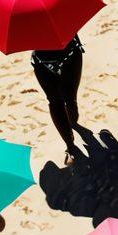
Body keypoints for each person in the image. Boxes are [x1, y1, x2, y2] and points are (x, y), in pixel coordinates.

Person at [32, 35, 85, 165]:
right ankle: (70, 143)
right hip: (51, 58)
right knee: (59, 101)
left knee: (65, 100)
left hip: (57, 56)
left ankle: (72, 133)